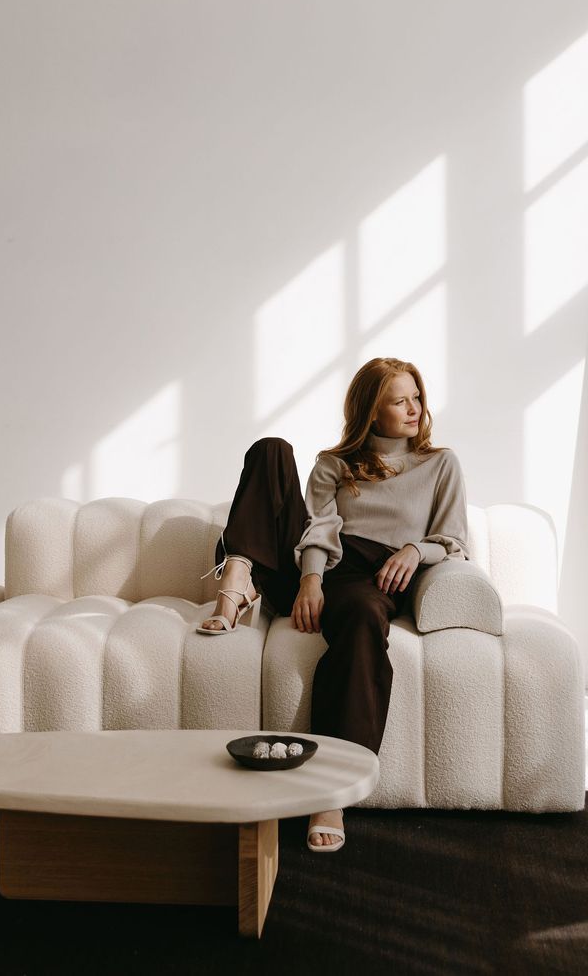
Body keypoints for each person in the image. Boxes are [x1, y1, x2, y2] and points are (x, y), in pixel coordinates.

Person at [196, 356, 469, 851]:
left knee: (365, 617)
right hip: (323, 566)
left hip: (376, 576)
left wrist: (414, 549)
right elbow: (319, 530)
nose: (414, 409)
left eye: (417, 398)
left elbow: (452, 540)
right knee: (272, 450)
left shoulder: (440, 464)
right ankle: (237, 576)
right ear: (370, 409)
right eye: (398, 400)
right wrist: (310, 581)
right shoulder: (335, 464)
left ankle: (332, 791)